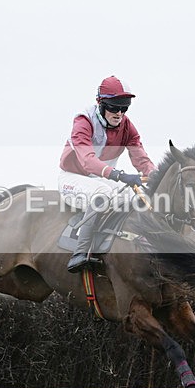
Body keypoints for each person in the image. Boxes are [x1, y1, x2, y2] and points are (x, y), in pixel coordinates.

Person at [58, 75, 156, 273]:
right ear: (100, 103)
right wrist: (119, 175)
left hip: (103, 177)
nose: (119, 113)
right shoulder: (83, 121)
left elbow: (141, 158)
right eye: (114, 107)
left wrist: (155, 175)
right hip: (74, 177)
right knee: (101, 195)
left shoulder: (127, 126)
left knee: (138, 196)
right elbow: (87, 161)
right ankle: (80, 252)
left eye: (124, 107)